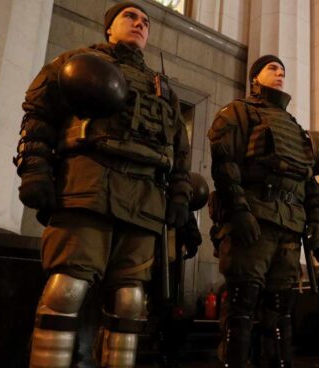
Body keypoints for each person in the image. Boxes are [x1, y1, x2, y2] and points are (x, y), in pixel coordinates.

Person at [15, 3, 194, 367]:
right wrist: (35, 168)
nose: (140, 24)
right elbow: (39, 114)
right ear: (109, 28)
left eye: (146, 21)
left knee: (129, 301)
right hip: (88, 183)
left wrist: (180, 198)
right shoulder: (77, 61)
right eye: (130, 17)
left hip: (145, 198)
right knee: (67, 290)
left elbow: (180, 152)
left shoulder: (164, 89)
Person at [207, 54, 319, 368]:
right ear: (254, 78)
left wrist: (316, 218)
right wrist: (239, 211)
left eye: (283, 70)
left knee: (281, 307)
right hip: (255, 220)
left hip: (289, 226)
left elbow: (309, 180)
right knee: (242, 304)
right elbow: (225, 164)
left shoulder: (296, 128)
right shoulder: (238, 112)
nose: (280, 73)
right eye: (272, 68)